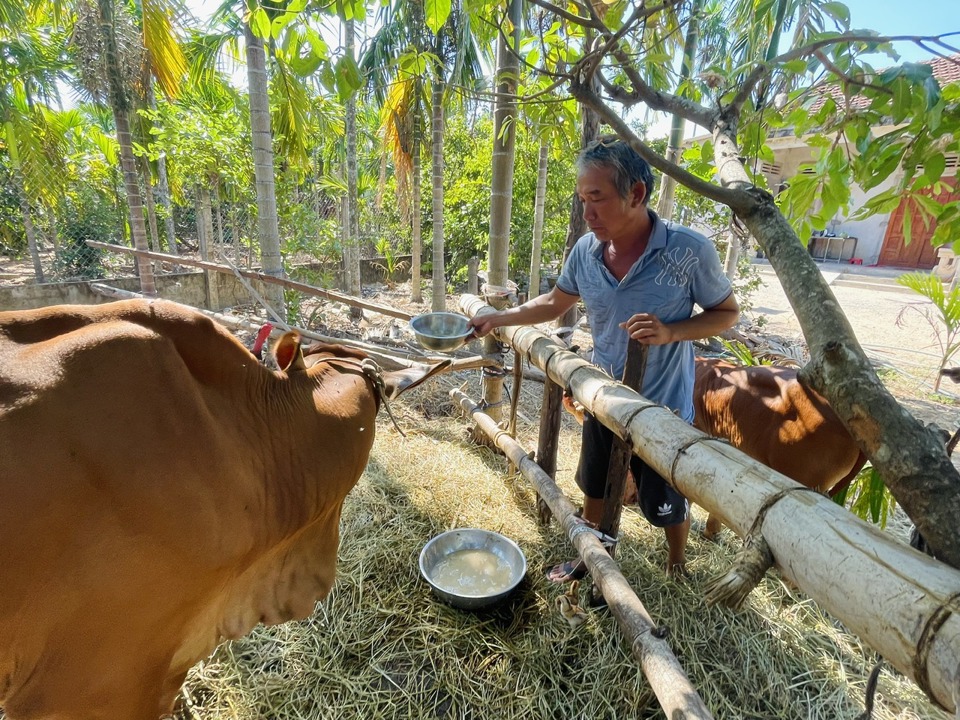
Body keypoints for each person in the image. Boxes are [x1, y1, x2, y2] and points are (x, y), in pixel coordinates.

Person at [468, 136, 739, 579]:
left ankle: (676, 563)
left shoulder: (688, 252)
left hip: (663, 409)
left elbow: (726, 314)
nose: (587, 214)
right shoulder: (586, 251)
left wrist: (672, 331)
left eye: (598, 199)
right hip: (603, 394)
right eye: (582, 201)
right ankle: (593, 556)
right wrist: (499, 319)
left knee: (666, 503)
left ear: (636, 194)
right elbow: (556, 302)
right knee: (593, 484)